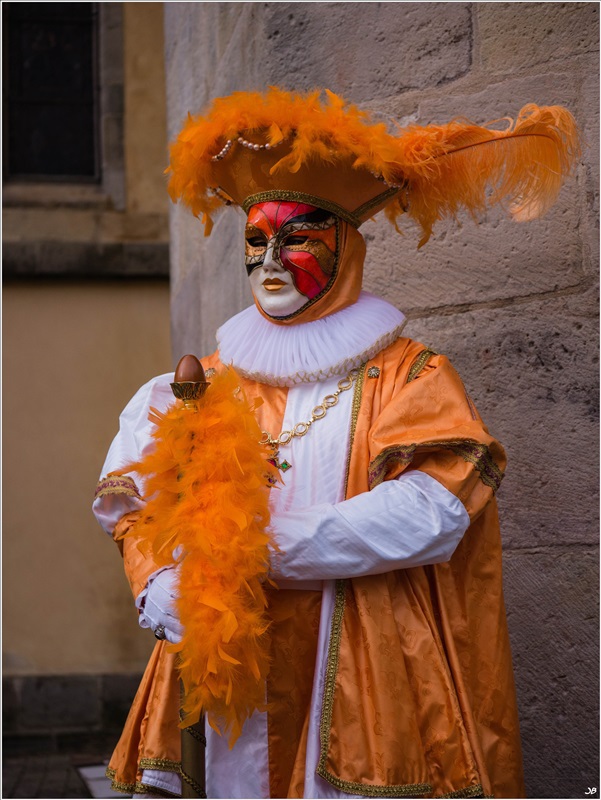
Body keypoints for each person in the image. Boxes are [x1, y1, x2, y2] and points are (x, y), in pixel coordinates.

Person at [94, 88, 579, 799]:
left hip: (363, 668)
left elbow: (432, 509)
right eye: (258, 240)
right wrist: (160, 583)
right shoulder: (193, 386)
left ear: (344, 244)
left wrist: (253, 551)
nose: (271, 261)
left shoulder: (412, 376)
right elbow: (130, 501)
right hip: (226, 679)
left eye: (297, 237)